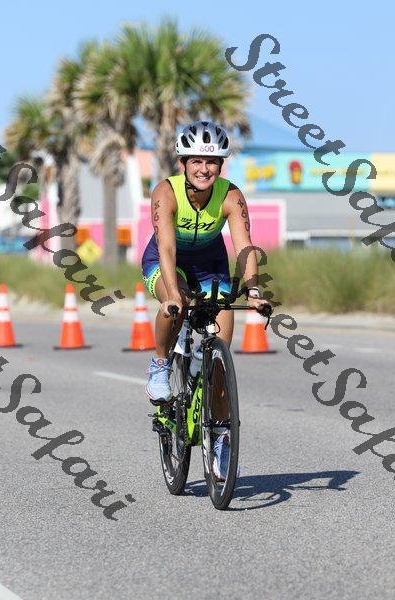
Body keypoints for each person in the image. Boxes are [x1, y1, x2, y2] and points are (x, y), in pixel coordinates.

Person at [142, 120, 268, 480]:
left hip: (211, 265)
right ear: (183, 162)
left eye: (211, 162)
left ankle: (220, 440)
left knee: (220, 360)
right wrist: (172, 295)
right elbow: (167, 248)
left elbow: (244, 246)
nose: (204, 169)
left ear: (221, 165)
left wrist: (254, 291)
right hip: (167, 262)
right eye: (196, 160)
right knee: (176, 303)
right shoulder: (165, 192)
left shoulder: (231, 195)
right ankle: (160, 364)